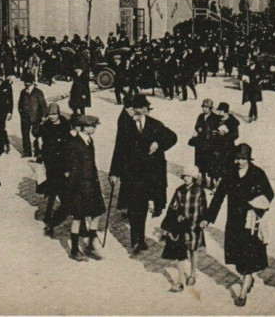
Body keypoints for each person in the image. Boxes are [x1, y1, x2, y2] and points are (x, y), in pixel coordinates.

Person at [203, 144, 274, 307]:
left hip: (251, 221)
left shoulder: (258, 174)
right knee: (237, 255)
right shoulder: (229, 173)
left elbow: (269, 193)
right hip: (234, 220)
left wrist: (258, 205)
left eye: (242, 159)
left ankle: (243, 290)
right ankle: (247, 278)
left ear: (249, 159)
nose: (239, 162)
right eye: (237, 158)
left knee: (248, 254)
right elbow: (218, 197)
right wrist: (208, 217)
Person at [109, 95, 178, 254]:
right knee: (135, 207)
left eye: (139, 109)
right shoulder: (127, 126)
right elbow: (119, 149)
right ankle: (136, 240)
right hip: (132, 175)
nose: (135, 112)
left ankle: (140, 238)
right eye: (133, 109)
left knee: (144, 207)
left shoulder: (155, 125)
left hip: (151, 175)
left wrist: (158, 144)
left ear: (146, 110)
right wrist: (114, 172)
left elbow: (173, 137)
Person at [63, 115, 106, 261]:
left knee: (97, 212)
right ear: (83, 127)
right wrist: (73, 189)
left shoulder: (89, 140)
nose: (94, 129)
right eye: (92, 126)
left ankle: (90, 244)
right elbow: (74, 168)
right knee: (78, 217)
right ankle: (74, 250)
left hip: (92, 184)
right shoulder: (74, 143)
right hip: (80, 186)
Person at [161, 164, 207, 292]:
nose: (186, 178)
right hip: (181, 227)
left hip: (194, 226)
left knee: (193, 250)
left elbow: (203, 208)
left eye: (189, 176)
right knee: (180, 252)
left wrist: (204, 221)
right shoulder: (179, 190)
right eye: (185, 176)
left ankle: (193, 274)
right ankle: (180, 281)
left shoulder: (199, 191)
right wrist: (169, 224)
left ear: (194, 178)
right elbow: (172, 208)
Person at [38, 103, 71, 236]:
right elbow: (38, 138)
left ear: (59, 114)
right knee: (52, 193)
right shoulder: (45, 126)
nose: (52, 117)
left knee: (63, 193)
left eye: (54, 114)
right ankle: (49, 218)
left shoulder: (65, 125)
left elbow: (69, 145)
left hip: (63, 164)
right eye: (50, 115)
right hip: (51, 164)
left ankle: (53, 220)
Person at [18, 75, 47, 158]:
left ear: (32, 83)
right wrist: (22, 113)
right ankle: (27, 152)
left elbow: (43, 105)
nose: (26, 84)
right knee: (25, 134)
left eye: (28, 83)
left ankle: (37, 151)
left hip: (36, 116)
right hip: (25, 117)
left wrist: (43, 116)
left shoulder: (38, 92)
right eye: (25, 83)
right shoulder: (23, 92)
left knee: (37, 134)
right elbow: (20, 104)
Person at [191, 99, 219, 187]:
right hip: (201, 142)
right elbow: (197, 125)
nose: (204, 109)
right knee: (201, 161)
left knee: (211, 162)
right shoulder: (200, 116)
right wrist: (198, 128)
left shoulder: (215, 117)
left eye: (206, 107)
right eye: (203, 107)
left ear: (210, 108)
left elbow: (217, 128)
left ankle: (211, 181)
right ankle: (203, 178)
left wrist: (212, 133)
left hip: (211, 143)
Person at [213, 102, 240, 182]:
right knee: (216, 165)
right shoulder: (217, 119)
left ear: (225, 111)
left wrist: (226, 135)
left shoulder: (232, 121)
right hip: (217, 146)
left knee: (226, 165)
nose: (219, 112)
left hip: (228, 147)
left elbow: (236, 134)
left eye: (221, 111)